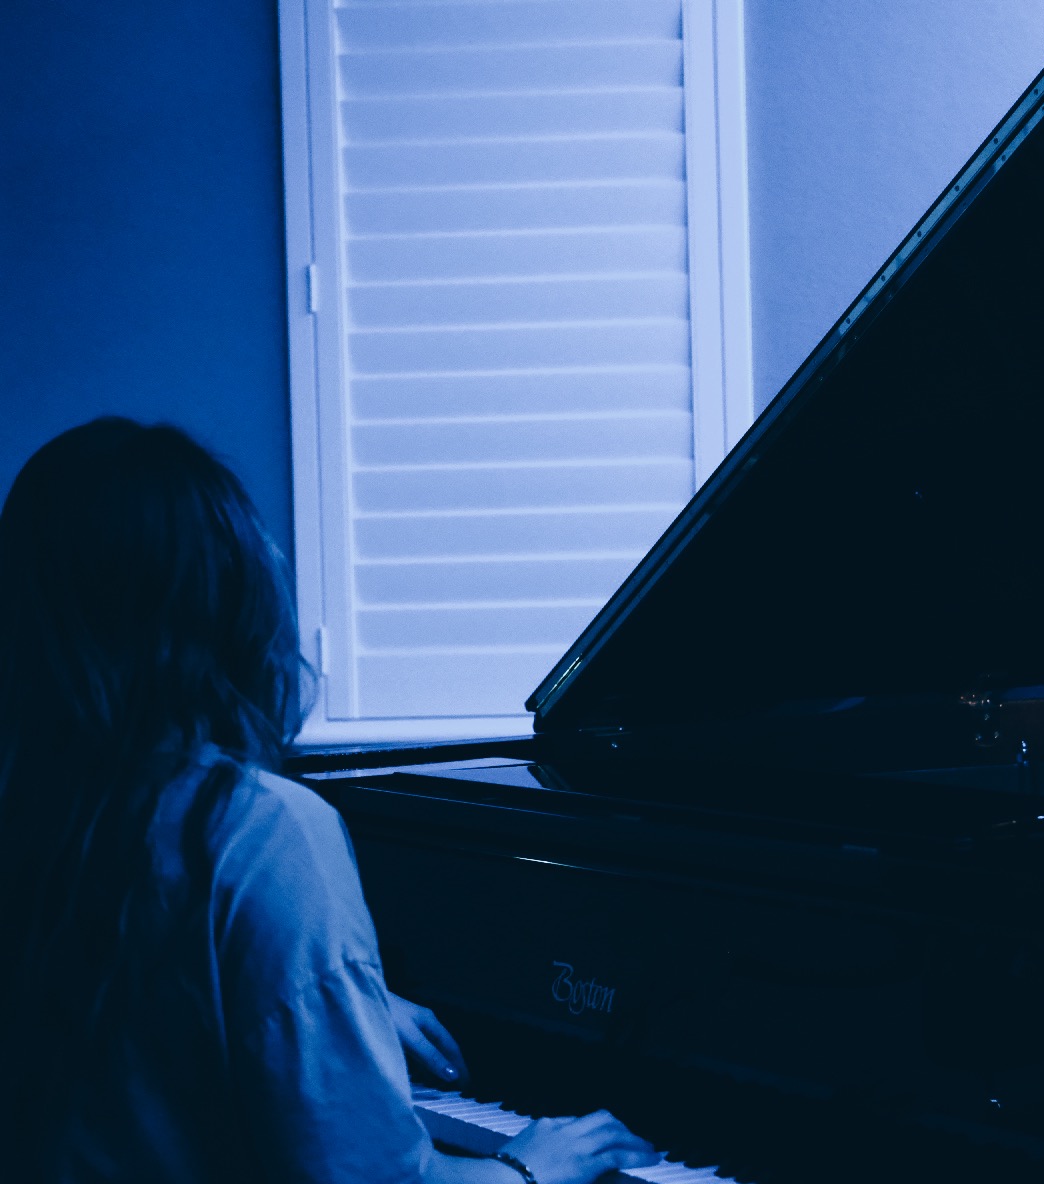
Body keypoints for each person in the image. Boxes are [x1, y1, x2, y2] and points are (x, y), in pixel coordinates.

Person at [0, 419, 660, 1184]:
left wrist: (338, 1010)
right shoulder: (255, 830)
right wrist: (530, 1165)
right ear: (232, 598)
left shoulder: (40, 814)